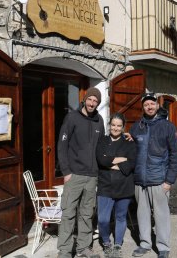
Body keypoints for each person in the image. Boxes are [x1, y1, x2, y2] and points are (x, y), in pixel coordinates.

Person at [129, 93, 177, 258]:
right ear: (142, 108)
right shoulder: (137, 127)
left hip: (159, 180)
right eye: (146, 105)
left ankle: (163, 247)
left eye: (152, 104)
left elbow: (175, 155)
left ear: (157, 106)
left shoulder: (168, 127)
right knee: (142, 214)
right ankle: (145, 244)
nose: (149, 107)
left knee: (161, 215)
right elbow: (132, 151)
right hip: (140, 180)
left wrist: (169, 180)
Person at [57, 87, 105, 258]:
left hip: (92, 176)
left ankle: (83, 248)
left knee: (86, 214)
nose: (92, 103)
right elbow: (62, 146)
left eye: (96, 101)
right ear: (85, 99)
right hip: (74, 175)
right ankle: (64, 250)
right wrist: (66, 171)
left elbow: (102, 148)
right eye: (90, 99)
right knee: (68, 213)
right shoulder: (72, 118)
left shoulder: (99, 121)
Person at [96, 113, 136, 258]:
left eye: (119, 126)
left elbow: (131, 163)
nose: (116, 128)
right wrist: (120, 160)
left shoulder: (129, 143)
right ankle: (106, 243)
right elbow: (101, 160)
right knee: (103, 219)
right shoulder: (102, 141)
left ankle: (118, 244)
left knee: (120, 217)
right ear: (109, 125)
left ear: (123, 127)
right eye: (113, 125)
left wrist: (111, 162)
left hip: (124, 185)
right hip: (105, 186)